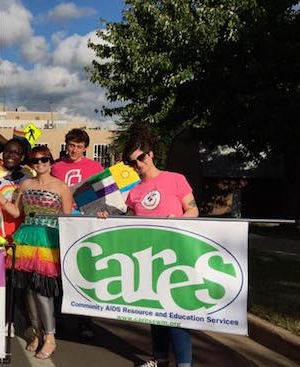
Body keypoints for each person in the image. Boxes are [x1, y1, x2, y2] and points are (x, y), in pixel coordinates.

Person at [100, 122, 198, 367]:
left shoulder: (176, 179)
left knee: (176, 312)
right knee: (153, 309)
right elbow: (131, 223)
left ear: (151, 154)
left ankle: (184, 363)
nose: (138, 165)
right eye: (133, 163)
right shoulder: (133, 192)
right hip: (148, 257)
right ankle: (159, 357)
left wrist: (179, 220)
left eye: (141, 158)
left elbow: (194, 209)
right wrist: (107, 217)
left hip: (176, 253)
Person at [0, 145, 72, 361]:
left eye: (44, 160)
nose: (40, 164)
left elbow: (68, 218)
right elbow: (16, 211)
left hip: (48, 241)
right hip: (27, 237)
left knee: (42, 291)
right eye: (36, 161)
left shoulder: (61, 187)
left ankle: (50, 337)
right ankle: (37, 334)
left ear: (51, 161)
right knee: (28, 290)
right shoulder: (25, 183)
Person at [50, 128, 104, 339]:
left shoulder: (95, 167)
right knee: (58, 269)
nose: (74, 150)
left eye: (79, 147)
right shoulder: (56, 166)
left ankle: (85, 321)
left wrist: (100, 211)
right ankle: (58, 318)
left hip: (84, 223)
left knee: (82, 269)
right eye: (71, 145)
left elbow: (102, 196)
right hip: (60, 222)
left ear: (85, 148)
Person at [0, 138, 34, 242]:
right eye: (7, 151)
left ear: (22, 156)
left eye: (16, 153)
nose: (10, 155)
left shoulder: (30, 176)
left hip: (23, 228)